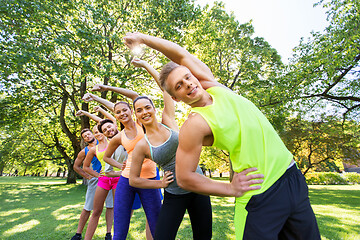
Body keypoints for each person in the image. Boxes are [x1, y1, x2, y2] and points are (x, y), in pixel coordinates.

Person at [123, 33, 321, 240]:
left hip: (292, 178)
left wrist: (142, 39)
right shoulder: (195, 124)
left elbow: (180, 54)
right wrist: (230, 188)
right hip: (260, 193)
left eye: (187, 77)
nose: (187, 84)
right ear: (175, 98)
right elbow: (184, 177)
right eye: (179, 86)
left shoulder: (214, 86)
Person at [129, 59, 212, 239]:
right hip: (174, 193)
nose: (144, 112)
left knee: (204, 235)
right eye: (139, 110)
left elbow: (165, 87)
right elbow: (133, 180)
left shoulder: (168, 121)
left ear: (153, 109)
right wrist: (160, 184)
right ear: (136, 115)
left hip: (199, 186)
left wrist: (145, 65)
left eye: (147, 107)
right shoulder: (142, 145)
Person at [98, 62, 164, 240]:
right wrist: (121, 165)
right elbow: (106, 157)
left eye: (124, 109)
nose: (121, 113)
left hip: (150, 179)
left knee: (156, 224)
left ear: (131, 110)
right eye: (117, 112)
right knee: (120, 229)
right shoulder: (119, 137)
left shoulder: (142, 123)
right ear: (116, 116)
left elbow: (136, 95)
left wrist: (106, 87)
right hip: (126, 181)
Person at [71, 128, 114, 240]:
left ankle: (108, 234)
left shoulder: (105, 143)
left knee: (110, 206)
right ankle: (78, 234)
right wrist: (89, 176)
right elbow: (76, 166)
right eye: (85, 136)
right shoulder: (85, 151)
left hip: (110, 176)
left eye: (89, 134)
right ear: (84, 140)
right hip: (96, 180)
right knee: (88, 207)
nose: (88, 136)